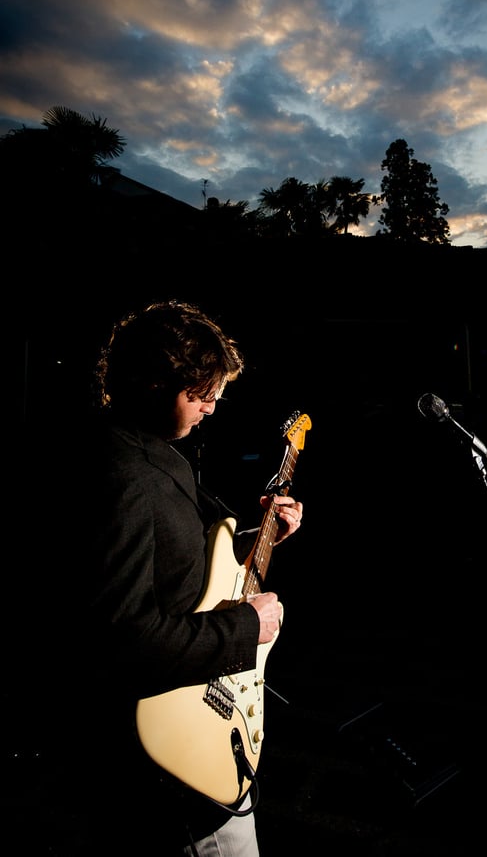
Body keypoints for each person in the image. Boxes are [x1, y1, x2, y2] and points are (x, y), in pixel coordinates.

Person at [47, 299, 304, 856]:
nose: (213, 408)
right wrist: (244, 629)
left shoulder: (147, 452)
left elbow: (174, 572)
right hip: (172, 773)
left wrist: (254, 543)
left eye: (216, 394)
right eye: (202, 394)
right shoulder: (125, 475)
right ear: (155, 384)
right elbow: (121, 638)